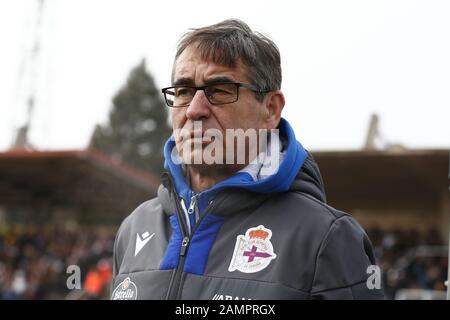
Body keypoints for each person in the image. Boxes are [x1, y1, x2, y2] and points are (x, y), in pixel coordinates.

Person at [111, 19, 384, 300]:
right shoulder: (135, 227)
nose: (194, 110)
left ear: (270, 109)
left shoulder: (326, 237)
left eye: (220, 90)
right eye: (183, 91)